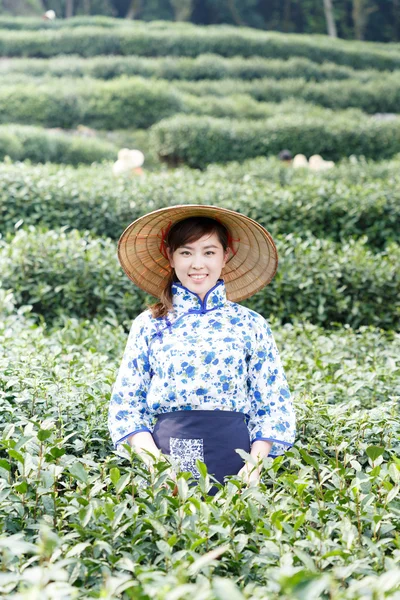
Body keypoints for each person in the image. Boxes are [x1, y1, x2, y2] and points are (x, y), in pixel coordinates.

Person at [108, 205, 296, 493]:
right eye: (186, 252)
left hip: (238, 458)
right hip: (169, 458)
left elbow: (272, 403)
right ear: (170, 257)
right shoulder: (150, 324)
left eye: (209, 252)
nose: (197, 264)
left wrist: (254, 467)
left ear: (225, 256)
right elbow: (127, 405)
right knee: (180, 529)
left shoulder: (250, 324)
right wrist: (157, 465)